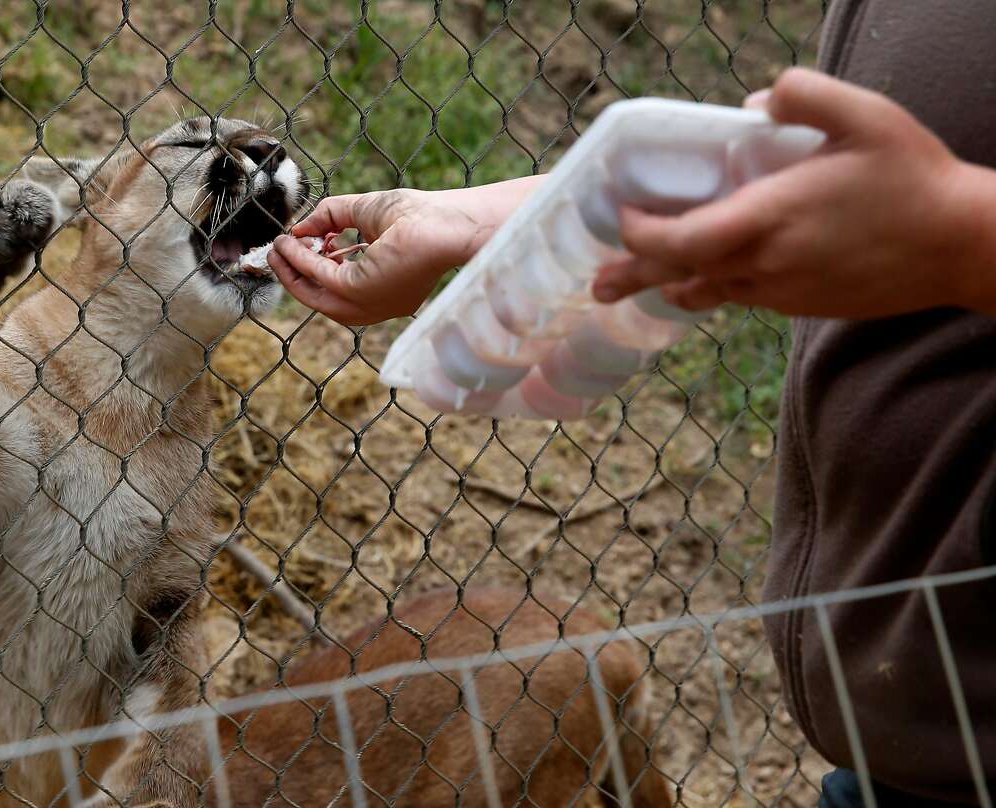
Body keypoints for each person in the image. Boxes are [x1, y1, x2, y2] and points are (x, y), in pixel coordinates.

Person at [268, 3, 996, 806]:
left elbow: (931, 192)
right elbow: (826, 167)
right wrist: (468, 222)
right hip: (910, 730)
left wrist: (954, 231)